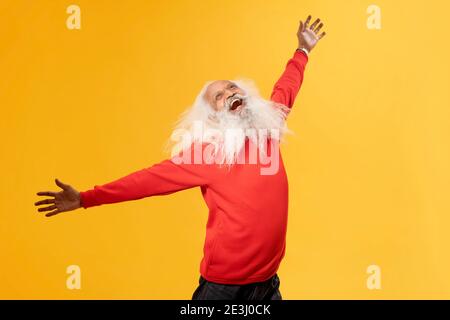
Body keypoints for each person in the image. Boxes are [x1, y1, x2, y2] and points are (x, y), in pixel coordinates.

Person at [35, 15, 326, 300]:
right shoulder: (207, 155)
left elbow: (286, 87)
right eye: (220, 96)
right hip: (224, 286)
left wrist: (302, 50)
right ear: (213, 116)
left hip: (268, 282)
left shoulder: (269, 128)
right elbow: (145, 181)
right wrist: (86, 198)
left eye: (232, 87)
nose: (229, 93)